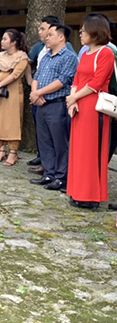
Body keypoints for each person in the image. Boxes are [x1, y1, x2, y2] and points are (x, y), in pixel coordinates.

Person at [66, 16, 115, 209]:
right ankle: (77, 191)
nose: (81, 34)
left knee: (91, 151)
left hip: (94, 107)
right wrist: (72, 100)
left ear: (95, 32)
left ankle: (91, 195)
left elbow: (97, 82)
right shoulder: (85, 54)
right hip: (79, 105)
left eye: (84, 31)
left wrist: (75, 97)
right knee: (78, 150)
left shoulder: (106, 53)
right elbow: (77, 78)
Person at [29, 24, 78, 191]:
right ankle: (48, 173)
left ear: (61, 37)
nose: (46, 38)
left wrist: (38, 93)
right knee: (44, 141)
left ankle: (61, 177)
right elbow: (36, 76)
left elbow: (62, 80)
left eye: (50, 35)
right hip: (41, 104)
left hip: (57, 104)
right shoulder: (46, 56)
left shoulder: (69, 57)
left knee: (59, 142)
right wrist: (35, 93)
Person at [0, 29, 30, 166]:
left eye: (5, 39)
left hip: (12, 93)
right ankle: (1, 149)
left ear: (14, 42)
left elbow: (15, 75)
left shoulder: (22, 57)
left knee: (12, 121)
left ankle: (13, 152)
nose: (2, 41)